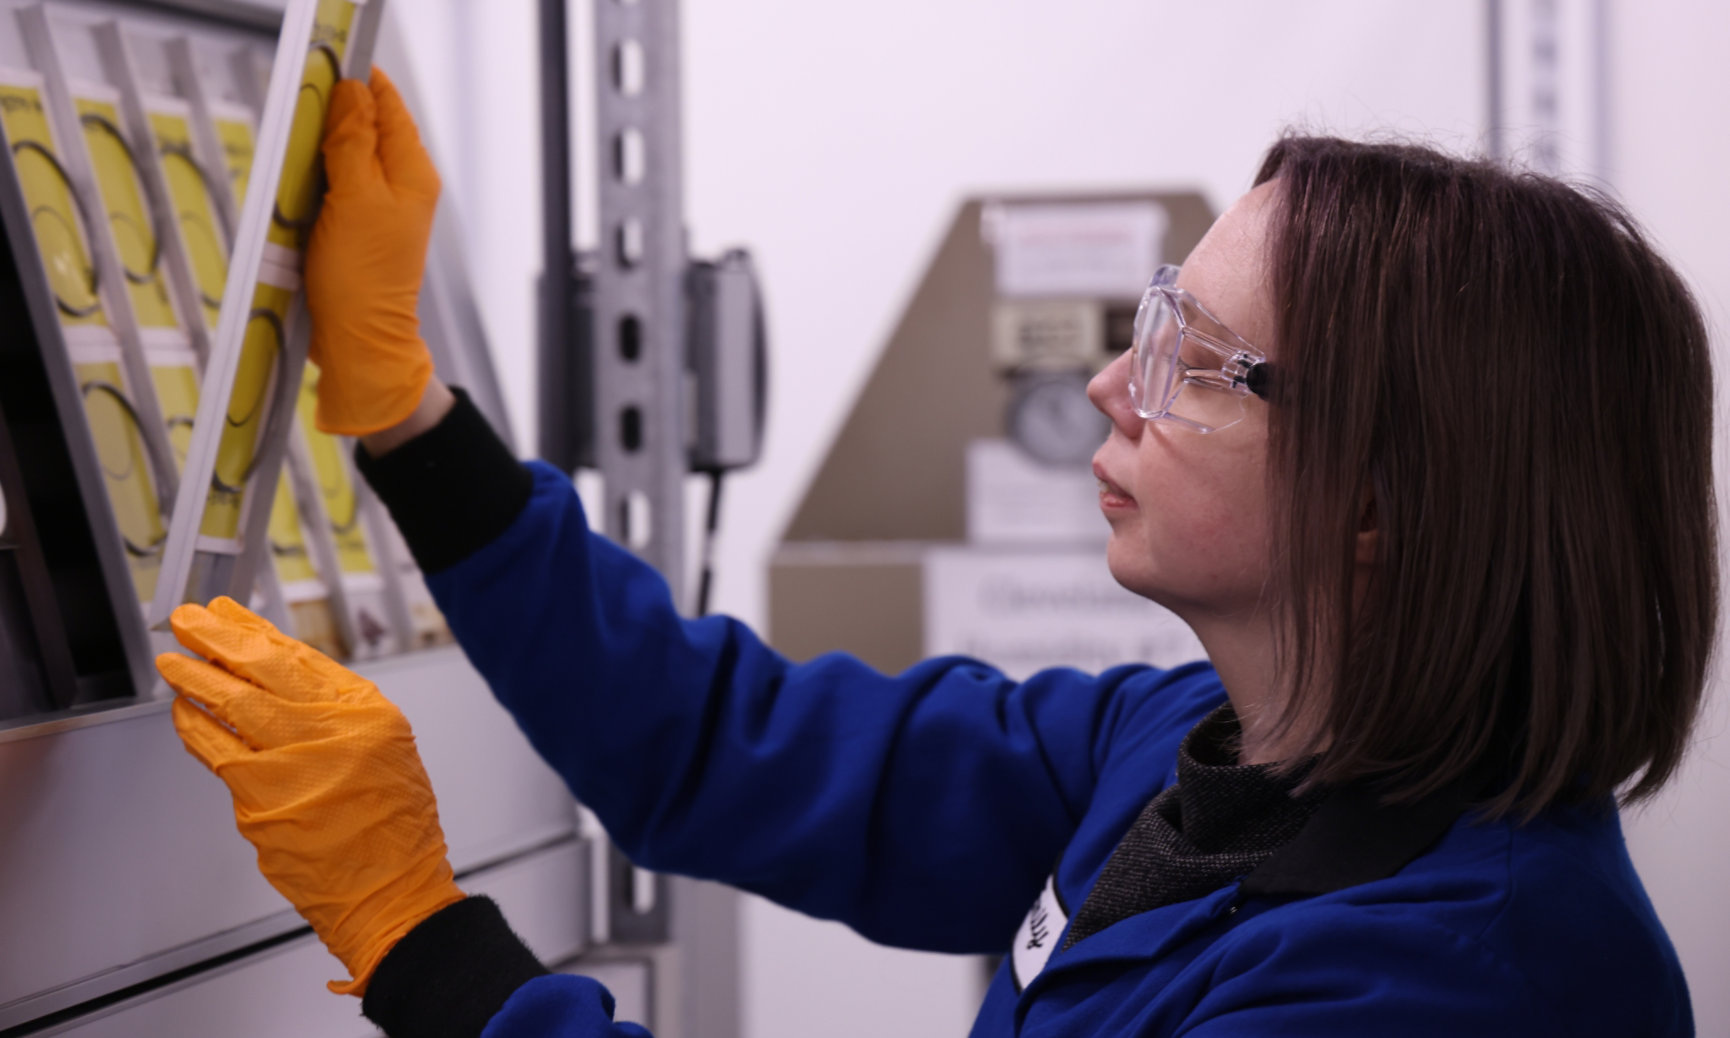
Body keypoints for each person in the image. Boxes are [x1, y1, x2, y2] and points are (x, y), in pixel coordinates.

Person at [155, 68, 1716, 1038]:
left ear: (1382, 501)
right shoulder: (1181, 748)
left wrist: (428, 944)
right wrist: (411, 418)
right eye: (1150, 317)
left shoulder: (1453, 980)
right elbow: (714, 739)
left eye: (1194, 357)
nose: (1109, 382)